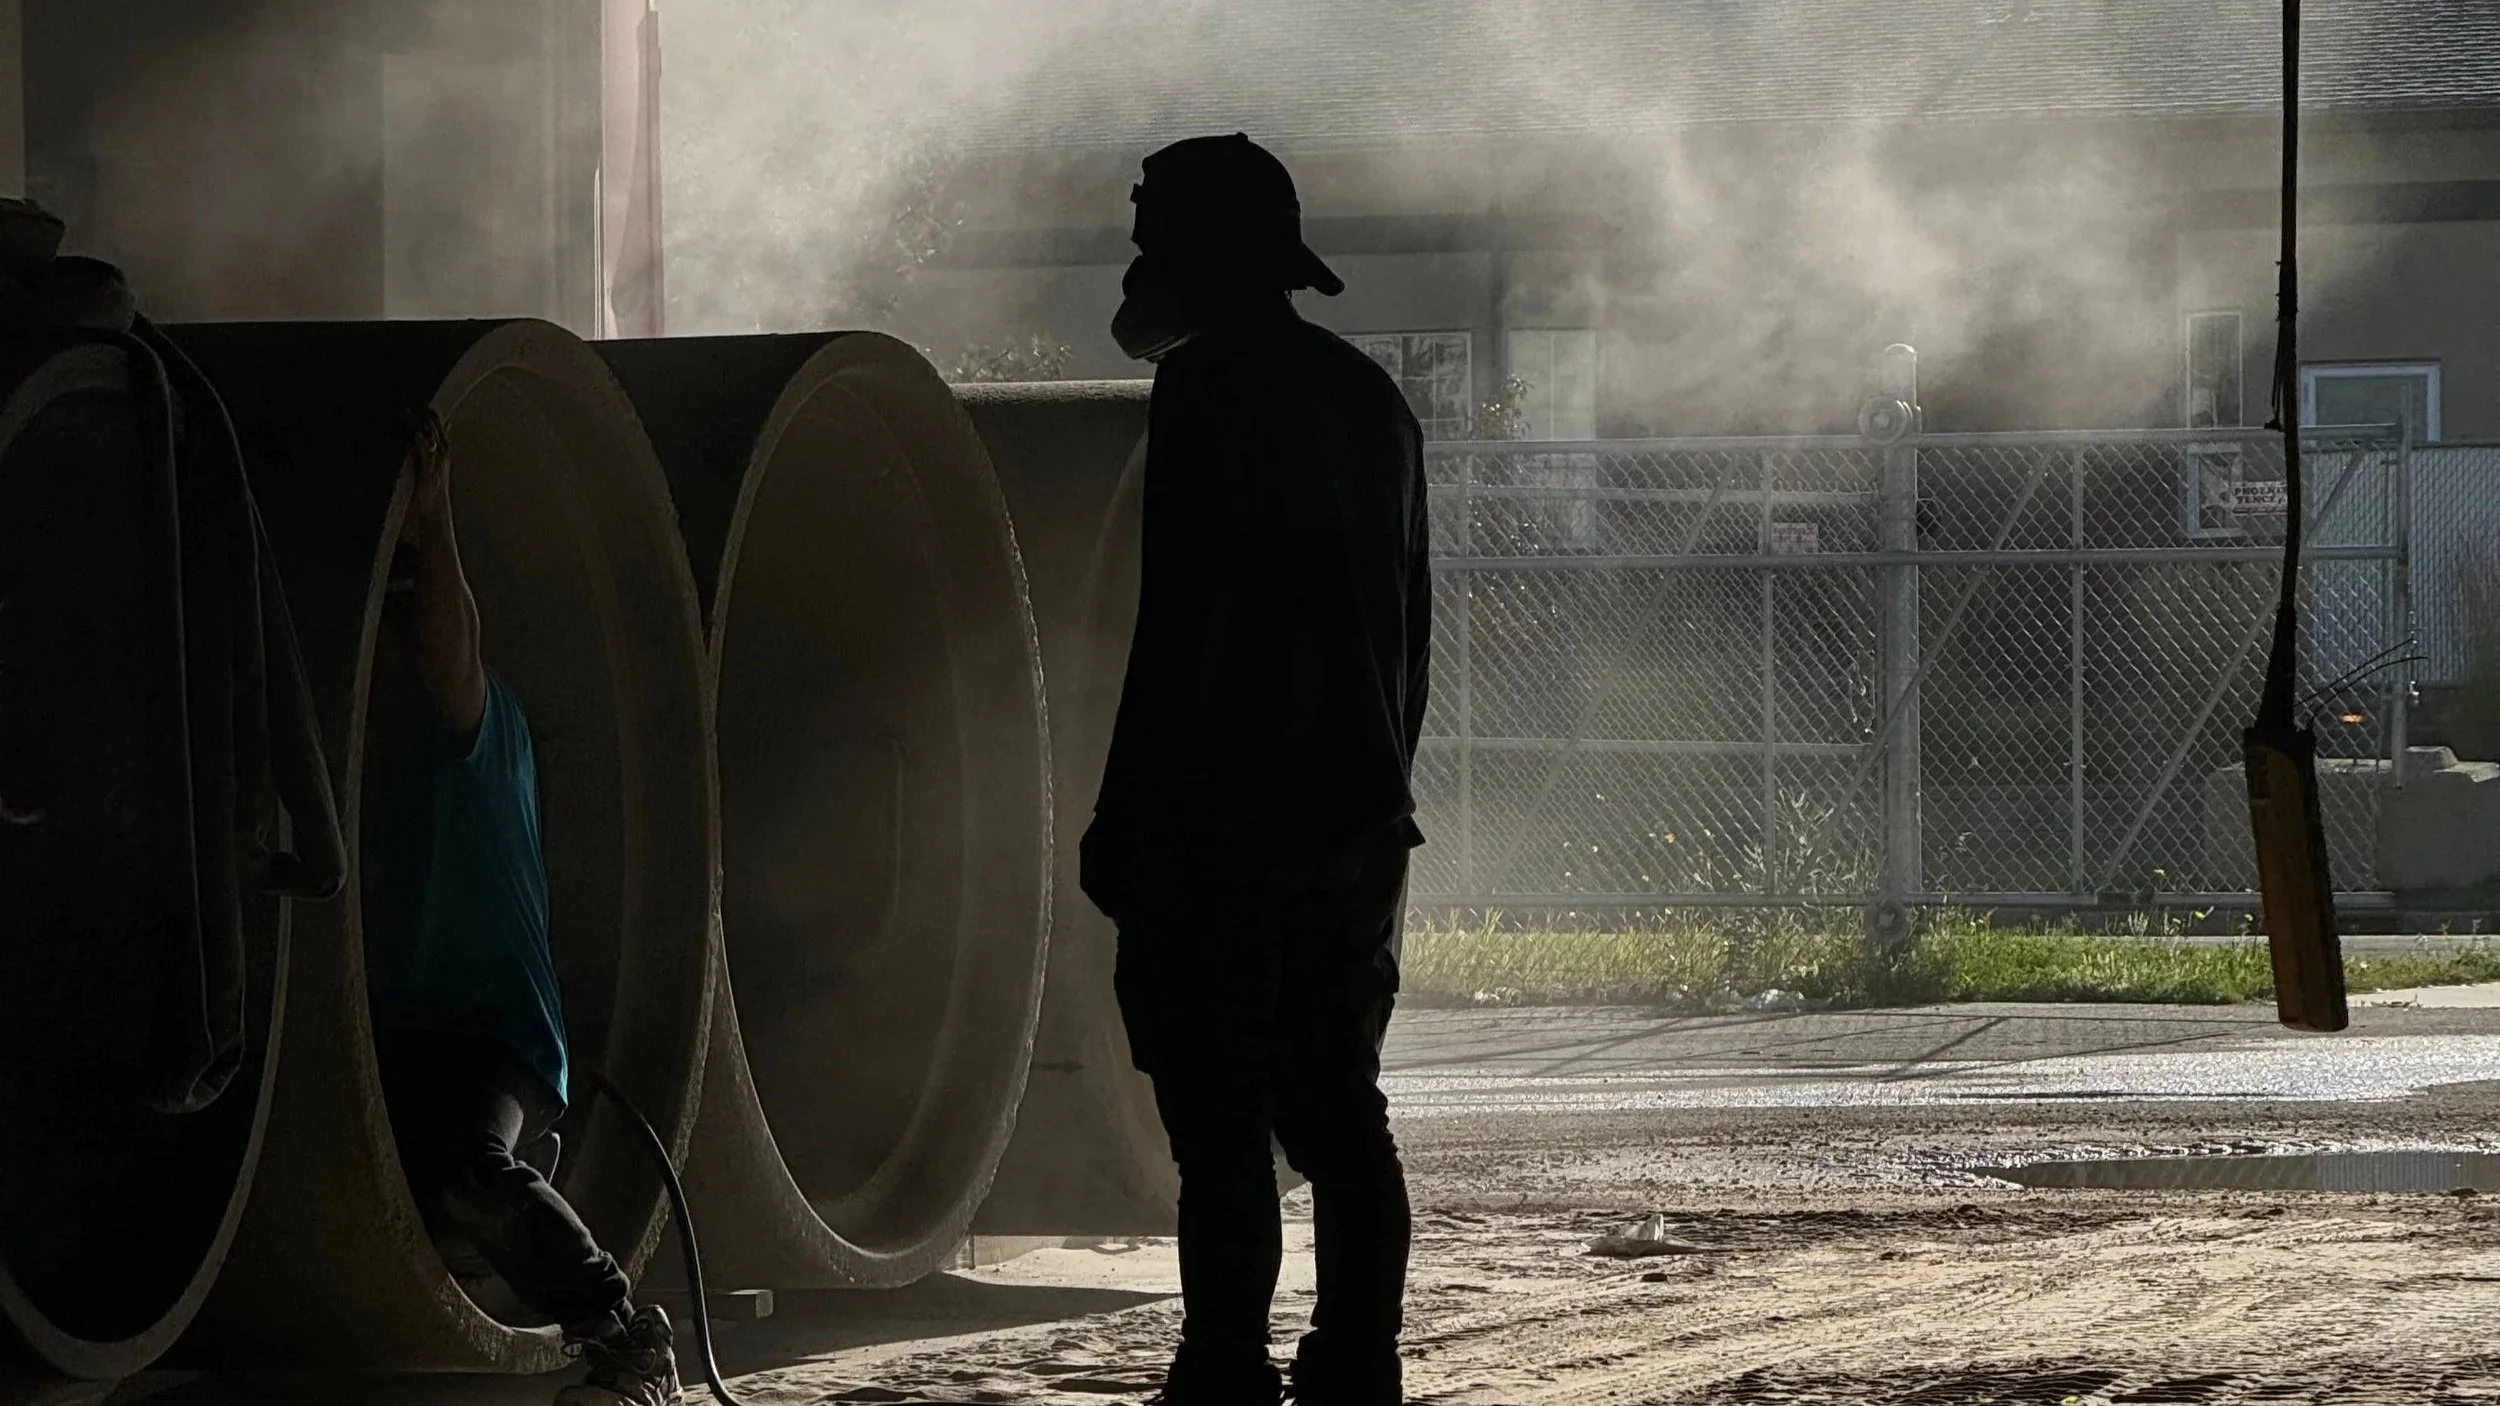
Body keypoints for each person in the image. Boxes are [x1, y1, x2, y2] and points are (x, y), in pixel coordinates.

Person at [1078, 133, 1433, 1406]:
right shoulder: (1370, 402)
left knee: (1219, 1121)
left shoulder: (1206, 392)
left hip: (1221, 822)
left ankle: (1224, 1366)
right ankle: (1355, 1364)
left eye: (1150, 235)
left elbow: (1182, 630)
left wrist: (1125, 815)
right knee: (1340, 1108)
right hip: (1355, 817)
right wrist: (1379, 799)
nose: (1133, 259)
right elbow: (1412, 637)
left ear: (1200, 249)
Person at [362, 411, 682, 1406]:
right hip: (404, 1036)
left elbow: (451, 638)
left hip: (492, 1037)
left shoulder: (476, 723)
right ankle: (508, 1203)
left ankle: (626, 1336)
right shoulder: (364, 750)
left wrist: (435, 514)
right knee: (416, 1190)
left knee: (463, 1165)